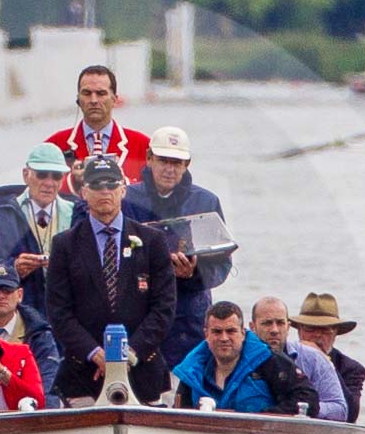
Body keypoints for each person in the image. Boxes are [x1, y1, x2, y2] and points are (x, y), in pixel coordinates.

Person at [46, 155, 177, 406]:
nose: (104, 191)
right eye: (96, 185)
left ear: (123, 189)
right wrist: (96, 354)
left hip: (143, 371)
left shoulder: (152, 241)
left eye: (111, 184)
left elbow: (164, 307)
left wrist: (129, 354)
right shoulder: (64, 245)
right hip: (84, 373)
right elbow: (59, 311)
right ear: (84, 192)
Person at [122, 126, 232, 369]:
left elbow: (222, 264)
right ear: (149, 158)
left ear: (187, 164)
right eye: (163, 160)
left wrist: (192, 274)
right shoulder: (126, 199)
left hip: (189, 317)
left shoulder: (206, 202)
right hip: (139, 315)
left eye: (177, 162)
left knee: (187, 390)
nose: (169, 169)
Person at [0, 143, 77, 315]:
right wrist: (12, 268)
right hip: (19, 319)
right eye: (42, 175)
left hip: (67, 318)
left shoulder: (78, 213)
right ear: (26, 175)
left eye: (57, 176)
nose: (49, 183)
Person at [173, 302, 318, 416]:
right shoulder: (192, 371)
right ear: (206, 334)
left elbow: (308, 399)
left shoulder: (269, 360)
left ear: (243, 333)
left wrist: (263, 419)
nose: (224, 338)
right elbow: (178, 416)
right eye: (217, 332)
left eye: (231, 331)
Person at [47, 65, 150, 193]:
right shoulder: (54, 146)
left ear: (115, 100)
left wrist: (123, 182)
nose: (93, 100)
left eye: (101, 93)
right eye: (87, 93)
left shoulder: (143, 145)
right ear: (78, 99)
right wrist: (72, 181)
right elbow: (38, 194)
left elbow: (154, 196)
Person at [0, 264, 63, 407]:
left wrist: (46, 423)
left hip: (23, 415)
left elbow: (49, 385)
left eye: (7, 289)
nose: (1, 295)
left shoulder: (39, 334)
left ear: (20, 295)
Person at [249, 297, 348, 421]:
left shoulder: (314, 358)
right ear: (252, 327)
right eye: (267, 323)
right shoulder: (240, 358)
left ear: (288, 327)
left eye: (280, 323)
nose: (274, 330)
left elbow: (340, 409)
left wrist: (304, 408)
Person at [289, 292, 365, 423]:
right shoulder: (284, 358)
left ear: (336, 332)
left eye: (326, 330)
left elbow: (350, 414)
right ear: (299, 330)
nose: (318, 335)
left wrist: (325, 362)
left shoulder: (351, 369)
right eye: (310, 328)